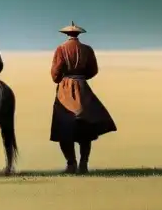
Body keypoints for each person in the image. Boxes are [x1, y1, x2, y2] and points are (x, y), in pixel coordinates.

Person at [49, 22, 117, 174]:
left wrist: (63, 79)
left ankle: (71, 164)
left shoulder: (61, 49)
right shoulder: (87, 49)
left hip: (66, 89)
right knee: (86, 130)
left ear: (66, 34)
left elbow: (55, 74)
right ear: (78, 34)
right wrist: (81, 77)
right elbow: (93, 70)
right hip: (83, 88)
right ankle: (83, 163)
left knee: (64, 127)